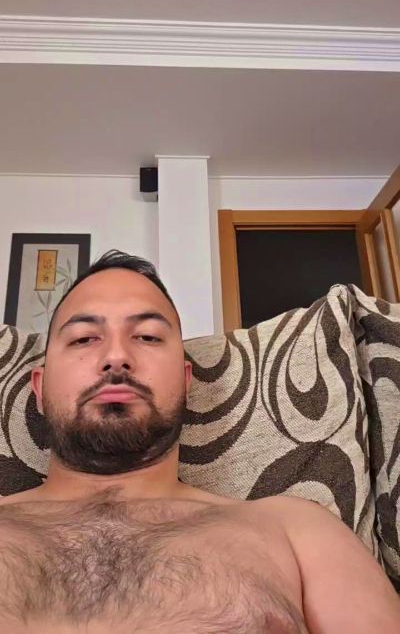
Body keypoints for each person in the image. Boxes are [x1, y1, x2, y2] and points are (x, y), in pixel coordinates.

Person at [0, 250, 399, 634]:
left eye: (147, 337)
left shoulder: (297, 531)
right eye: (84, 338)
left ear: (186, 381)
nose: (117, 355)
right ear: (40, 388)